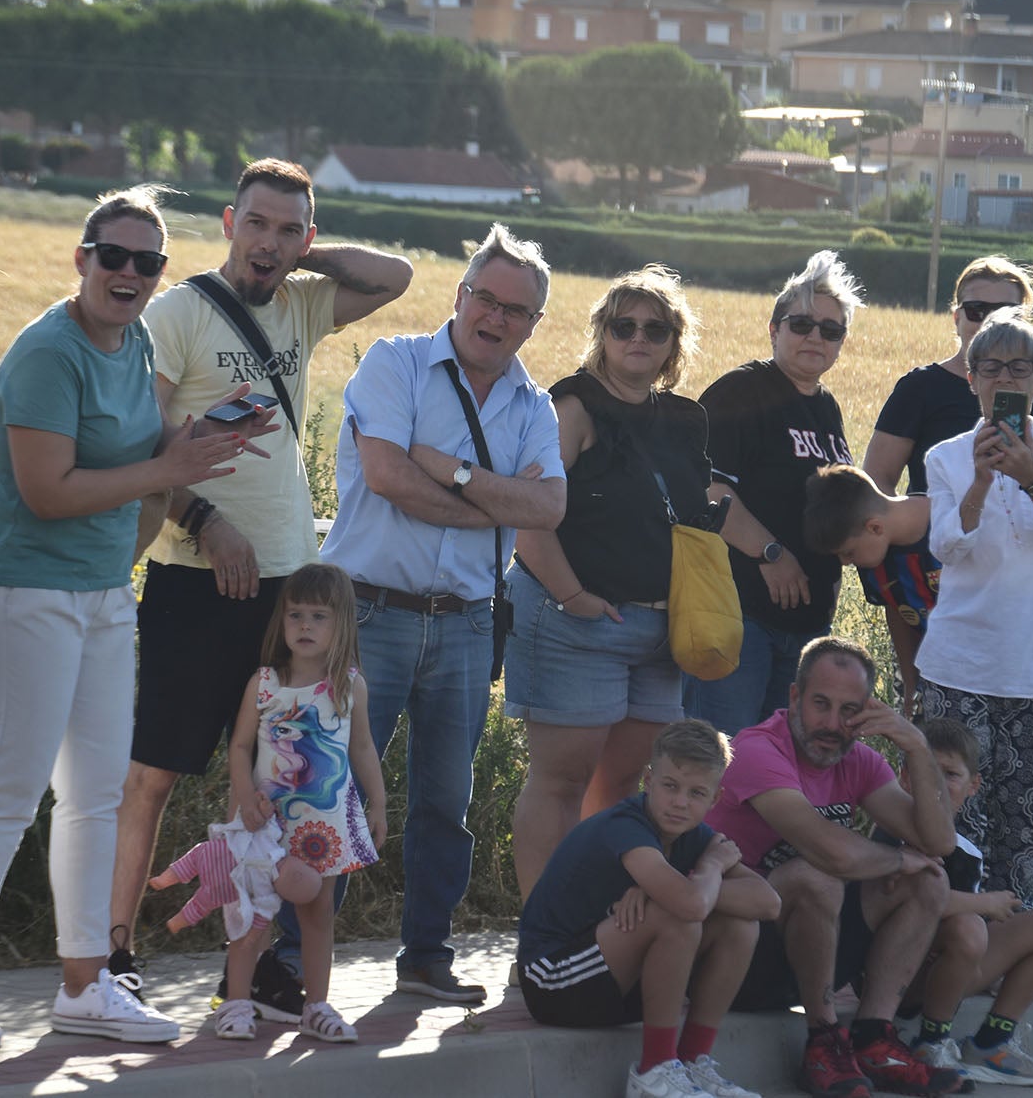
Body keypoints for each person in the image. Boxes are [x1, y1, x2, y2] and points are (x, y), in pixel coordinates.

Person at [0, 187, 255, 1050]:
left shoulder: (135, 339)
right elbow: (46, 490)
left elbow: (145, 457)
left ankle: (84, 984)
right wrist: (170, 467)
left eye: (149, 262)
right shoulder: (46, 353)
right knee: (8, 783)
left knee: (95, 794)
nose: (131, 273)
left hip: (104, 593)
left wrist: (198, 453)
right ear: (82, 258)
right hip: (23, 589)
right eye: (115, 256)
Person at [107, 158, 412, 1020]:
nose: (268, 242)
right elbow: (141, 437)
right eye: (257, 224)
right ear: (228, 221)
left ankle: (257, 970)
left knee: (288, 783)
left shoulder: (303, 303)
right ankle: (116, 952)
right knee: (155, 776)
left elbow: (397, 276)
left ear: (306, 239)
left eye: (289, 229)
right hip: (192, 576)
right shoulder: (176, 312)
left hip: (288, 591)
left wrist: (301, 262)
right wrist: (204, 521)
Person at [319, 223, 567, 1004]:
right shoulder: (393, 362)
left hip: (465, 620)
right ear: (460, 296)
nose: (494, 318)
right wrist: (492, 504)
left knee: (444, 801)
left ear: (533, 325)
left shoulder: (535, 405)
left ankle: (426, 955)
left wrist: (453, 468)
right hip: (370, 613)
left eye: (515, 310)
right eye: (484, 298)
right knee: (337, 789)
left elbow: (550, 507)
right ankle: (298, 956)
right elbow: (388, 474)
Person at [813, 310, 1033, 912]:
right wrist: (981, 481)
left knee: (1028, 818)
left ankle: (1007, 937)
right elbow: (947, 546)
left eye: (1020, 368)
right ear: (971, 380)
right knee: (951, 811)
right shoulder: (945, 457)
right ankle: (952, 932)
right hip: (961, 665)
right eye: (989, 368)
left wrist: (1032, 479)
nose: (1003, 379)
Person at [506, 265, 716, 896]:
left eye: (657, 329)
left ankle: (591, 919)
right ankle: (543, 938)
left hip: (660, 635)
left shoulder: (685, 419)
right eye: (623, 325)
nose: (639, 339)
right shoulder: (570, 406)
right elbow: (530, 517)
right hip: (574, 621)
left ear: (675, 344)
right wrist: (575, 597)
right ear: (601, 333)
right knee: (561, 783)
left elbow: (699, 517)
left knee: (624, 789)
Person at [705, 638, 964, 1098]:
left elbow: (940, 841)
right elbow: (831, 852)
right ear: (793, 699)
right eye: (820, 704)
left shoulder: (859, 760)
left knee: (929, 880)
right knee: (816, 874)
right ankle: (824, 1042)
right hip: (735, 961)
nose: (832, 724)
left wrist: (917, 747)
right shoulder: (755, 750)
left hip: (814, 947)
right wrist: (898, 857)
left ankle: (873, 1040)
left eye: (849, 710)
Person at [176, 563, 391, 1040]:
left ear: (342, 624)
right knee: (250, 914)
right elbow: (239, 747)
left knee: (318, 914)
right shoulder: (265, 683)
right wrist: (245, 799)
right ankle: (235, 1004)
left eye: (319, 616)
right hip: (264, 822)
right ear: (282, 621)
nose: (306, 626)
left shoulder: (348, 686)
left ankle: (316, 1006)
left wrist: (377, 805)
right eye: (296, 615)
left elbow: (362, 748)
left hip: (325, 824)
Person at [519, 719, 780, 1098]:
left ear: (715, 798)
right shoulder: (626, 824)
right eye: (670, 786)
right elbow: (689, 905)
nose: (680, 802)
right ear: (648, 780)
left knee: (740, 925)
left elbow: (768, 903)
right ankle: (653, 1070)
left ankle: (691, 1063)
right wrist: (705, 871)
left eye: (696, 793)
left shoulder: (696, 834)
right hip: (554, 982)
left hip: (614, 981)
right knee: (677, 916)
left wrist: (673, 889)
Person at [859, 258, 1033, 714]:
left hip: (1022, 576)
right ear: (956, 316)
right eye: (976, 310)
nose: (988, 321)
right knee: (927, 705)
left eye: (1005, 313)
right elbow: (876, 484)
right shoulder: (921, 387)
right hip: (931, 568)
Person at [686, 251, 860, 737]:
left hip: (805, 629)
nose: (815, 337)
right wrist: (771, 553)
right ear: (774, 328)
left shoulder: (827, 408)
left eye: (831, 330)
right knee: (720, 761)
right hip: (740, 618)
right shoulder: (741, 391)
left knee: (775, 770)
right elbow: (708, 490)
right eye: (802, 323)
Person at [899, 718, 1033, 1088]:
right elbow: (907, 904)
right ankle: (931, 1043)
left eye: (951, 774)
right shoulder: (891, 830)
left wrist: (982, 911)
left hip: (946, 969)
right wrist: (983, 904)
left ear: (973, 786)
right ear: (905, 778)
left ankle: (990, 1043)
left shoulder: (968, 853)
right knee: (970, 923)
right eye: (928, 772)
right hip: (892, 975)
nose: (939, 784)